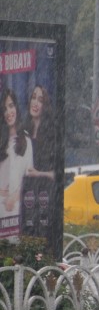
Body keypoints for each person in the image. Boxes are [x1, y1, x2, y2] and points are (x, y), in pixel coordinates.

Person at [0, 88, 33, 225]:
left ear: (16, 108)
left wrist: (13, 197)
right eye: (4, 109)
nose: (8, 112)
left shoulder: (26, 142)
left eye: (11, 106)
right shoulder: (2, 143)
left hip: (16, 213)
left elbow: (29, 180)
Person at [22, 84, 56, 179]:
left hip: (45, 188)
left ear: (45, 105)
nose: (35, 103)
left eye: (40, 100)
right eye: (33, 97)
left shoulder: (51, 133)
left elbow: (58, 174)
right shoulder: (23, 130)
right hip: (25, 189)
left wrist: (39, 173)